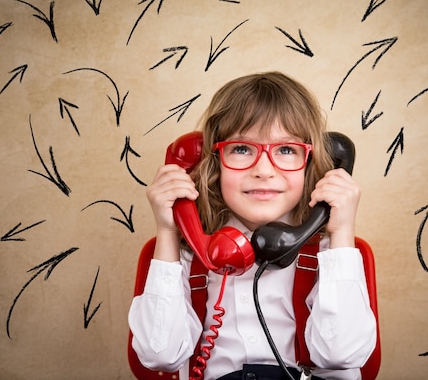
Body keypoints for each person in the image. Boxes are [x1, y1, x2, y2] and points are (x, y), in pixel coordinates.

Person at [128, 72, 377, 380]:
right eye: (242, 148)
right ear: (213, 160)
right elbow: (158, 356)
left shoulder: (331, 254)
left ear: (311, 162)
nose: (263, 170)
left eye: (286, 150)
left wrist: (340, 232)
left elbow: (343, 355)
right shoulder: (187, 259)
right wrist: (168, 231)